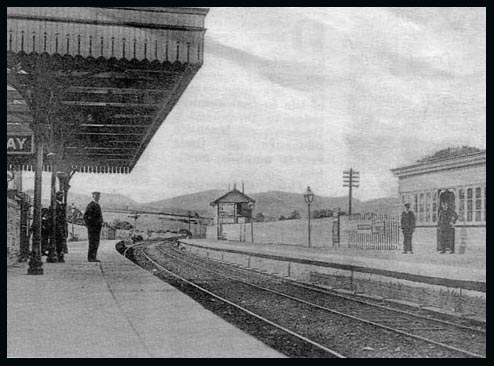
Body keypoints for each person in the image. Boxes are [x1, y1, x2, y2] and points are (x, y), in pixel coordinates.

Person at [83, 191, 104, 262]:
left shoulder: (97, 205)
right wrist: (90, 225)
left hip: (97, 228)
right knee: (92, 243)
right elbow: (85, 216)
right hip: (93, 228)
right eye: (96, 196)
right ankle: (91, 257)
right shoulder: (91, 205)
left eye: (98, 196)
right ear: (93, 196)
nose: (98, 197)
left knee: (96, 242)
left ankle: (93, 257)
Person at [53, 191, 67, 263]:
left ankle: (60, 255)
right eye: (60, 195)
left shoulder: (62, 204)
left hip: (61, 225)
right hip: (58, 225)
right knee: (59, 241)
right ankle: (59, 256)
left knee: (61, 241)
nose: (62, 197)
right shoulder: (55, 204)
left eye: (62, 195)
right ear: (57, 196)